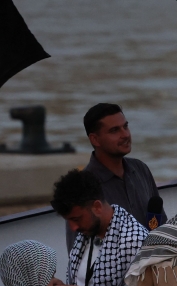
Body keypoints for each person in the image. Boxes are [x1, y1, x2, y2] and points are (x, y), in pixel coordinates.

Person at [67, 103, 163, 249]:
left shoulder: (141, 169)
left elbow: (161, 226)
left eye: (125, 126)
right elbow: (79, 255)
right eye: (114, 130)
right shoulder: (81, 189)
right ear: (95, 139)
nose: (125, 134)